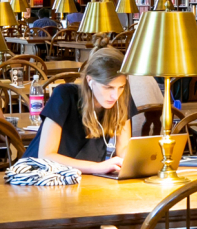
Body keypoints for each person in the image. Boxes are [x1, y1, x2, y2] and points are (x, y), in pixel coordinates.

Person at [27, 47, 137, 175]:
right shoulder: (64, 95)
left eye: (121, 87)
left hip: (84, 178)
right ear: (90, 81)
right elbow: (46, 156)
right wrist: (96, 167)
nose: (115, 95)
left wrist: (132, 161)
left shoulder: (122, 98)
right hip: (40, 175)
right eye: (108, 87)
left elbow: (123, 148)